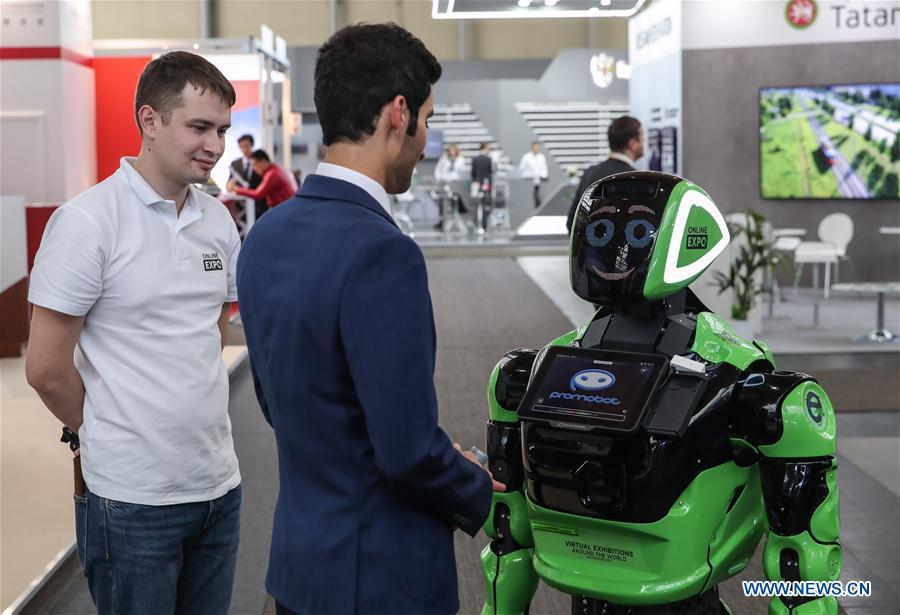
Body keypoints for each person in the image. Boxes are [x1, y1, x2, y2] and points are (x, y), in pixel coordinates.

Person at [479, 171, 841, 614]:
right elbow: (508, 532)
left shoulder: (750, 391)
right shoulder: (526, 373)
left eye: (637, 230)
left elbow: (802, 566)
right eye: (600, 229)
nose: (616, 251)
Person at [236, 23, 502, 615]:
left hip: (299, 571)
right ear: (398, 114)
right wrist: (476, 486)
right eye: (428, 122)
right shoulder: (383, 252)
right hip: (378, 580)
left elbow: (282, 404)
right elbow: (405, 451)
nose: (426, 141)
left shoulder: (265, 238)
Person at [26, 51, 242, 615]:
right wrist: (107, 431)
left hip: (219, 485)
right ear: (150, 121)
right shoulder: (87, 221)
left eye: (222, 129)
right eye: (199, 127)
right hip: (131, 501)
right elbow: (46, 369)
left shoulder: (218, 221)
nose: (215, 146)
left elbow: (211, 336)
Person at [565, 115, 644, 231]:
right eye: (642, 139)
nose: (644, 144)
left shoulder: (590, 172)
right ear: (633, 144)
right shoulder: (636, 179)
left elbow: (572, 221)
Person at [227, 149, 297, 212]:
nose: (254, 169)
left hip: (284, 210)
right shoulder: (278, 169)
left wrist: (235, 188)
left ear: (263, 161)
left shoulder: (272, 174)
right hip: (288, 208)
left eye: (255, 165)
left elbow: (257, 194)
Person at [230, 133, 266, 219]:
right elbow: (230, 180)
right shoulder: (235, 164)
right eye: (242, 147)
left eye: (247, 146)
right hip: (240, 206)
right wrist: (230, 185)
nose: (245, 149)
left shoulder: (261, 161)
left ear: (252, 145)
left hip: (259, 205)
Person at [433, 142, 468, 229]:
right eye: (449, 150)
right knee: (443, 203)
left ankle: (456, 219)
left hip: (455, 184)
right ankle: (442, 221)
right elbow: (437, 170)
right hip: (444, 183)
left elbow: (462, 172)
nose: (450, 152)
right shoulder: (444, 158)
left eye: (452, 150)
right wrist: (439, 179)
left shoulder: (460, 159)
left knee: (455, 202)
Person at [470, 142, 494, 230]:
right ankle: (484, 224)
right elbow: (491, 172)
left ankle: (476, 223)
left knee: (476, 205)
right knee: (486, 204)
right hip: (486, 184)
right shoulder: (489, 159)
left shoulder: (475, 159)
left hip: (476, 184)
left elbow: (473, 173)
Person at [518, 140, 549, 208]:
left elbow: (544, 168)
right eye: (535, 147)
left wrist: (544, 176)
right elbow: (521, 168)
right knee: (530, 199)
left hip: (539, 181)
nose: (536, 148)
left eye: (537, 147)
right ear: (532, 147)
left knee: (539, 197)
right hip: (528, 181)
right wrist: (526, 176)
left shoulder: (541, 156)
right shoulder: (526, 157)